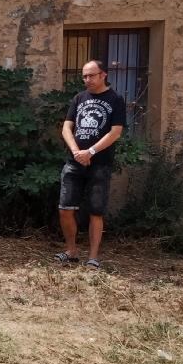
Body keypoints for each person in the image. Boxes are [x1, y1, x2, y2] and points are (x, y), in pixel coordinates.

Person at [56, 60, 126, 267]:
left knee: (96, 211)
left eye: (91, 75)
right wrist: (76, 151)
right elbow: (66, 128)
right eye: (84, 76)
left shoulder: (115, 99)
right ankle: (71, 250)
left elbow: (116, 132)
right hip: (74, 162)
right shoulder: (79, 98)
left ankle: (93, 257)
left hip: (100, 164)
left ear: (103, 74)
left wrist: (91, 151)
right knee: (65, 208)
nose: (87, 80)